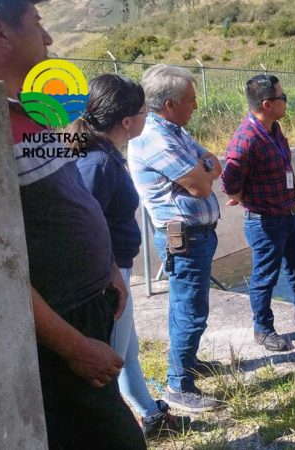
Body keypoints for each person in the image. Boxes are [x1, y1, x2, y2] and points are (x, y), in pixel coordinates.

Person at [0, 1, 145, 448]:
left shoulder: (33, 110)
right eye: (38, 26)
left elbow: (71, 200)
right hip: (58, 324)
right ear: (0, 33)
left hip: (88, 303)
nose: (49, 38)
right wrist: (73, 347)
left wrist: (109, 271)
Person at [70, 74, 190, 440]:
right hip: (108, 279)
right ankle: (116, 432)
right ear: (127, 122)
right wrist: (111, 275)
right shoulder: (98, 164)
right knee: (112, 361)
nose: (147, 118)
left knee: (128, 353)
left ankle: (149, 414)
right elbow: (82, 230)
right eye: (143, 112)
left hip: (115, 274)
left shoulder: (103, 154)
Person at [128, 64, 222, 412]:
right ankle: (178, 385)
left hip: (197, 235)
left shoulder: (175, 131)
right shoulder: (155, 137)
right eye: (191, 100)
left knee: (188, 305)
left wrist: (206, 169)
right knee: (189, 310)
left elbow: (215, 163)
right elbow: (200, 185)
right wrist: (204, 172)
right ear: (169, 103)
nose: (196, 106)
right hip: (184, 238)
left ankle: (189, 363)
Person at [221, 74, 295, 352]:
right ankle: (263, 329)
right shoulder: (246, 138)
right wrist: (241, 197)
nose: (286, 101)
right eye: (282, 98)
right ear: (267, 104)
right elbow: (229, 181)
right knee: (265, 276)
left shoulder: (273, 130)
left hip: (287, 214)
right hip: (264, 221)